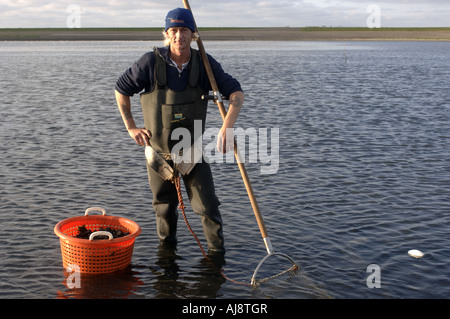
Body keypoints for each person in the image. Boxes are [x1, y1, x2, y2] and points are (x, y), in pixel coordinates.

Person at [114, 8, 244, 254]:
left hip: (192, 152)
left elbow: (236, 93)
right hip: (157, 154)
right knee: (163, 208)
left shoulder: (204, 63)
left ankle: (216, 263)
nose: (178, 36)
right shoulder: (150, 62)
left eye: (184, 30)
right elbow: (121, 89)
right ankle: (167, 260)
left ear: (193, 34)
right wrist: (130, 126)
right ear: (166, 34)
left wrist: (227, 128)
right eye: (173, 30)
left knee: (207, 207)